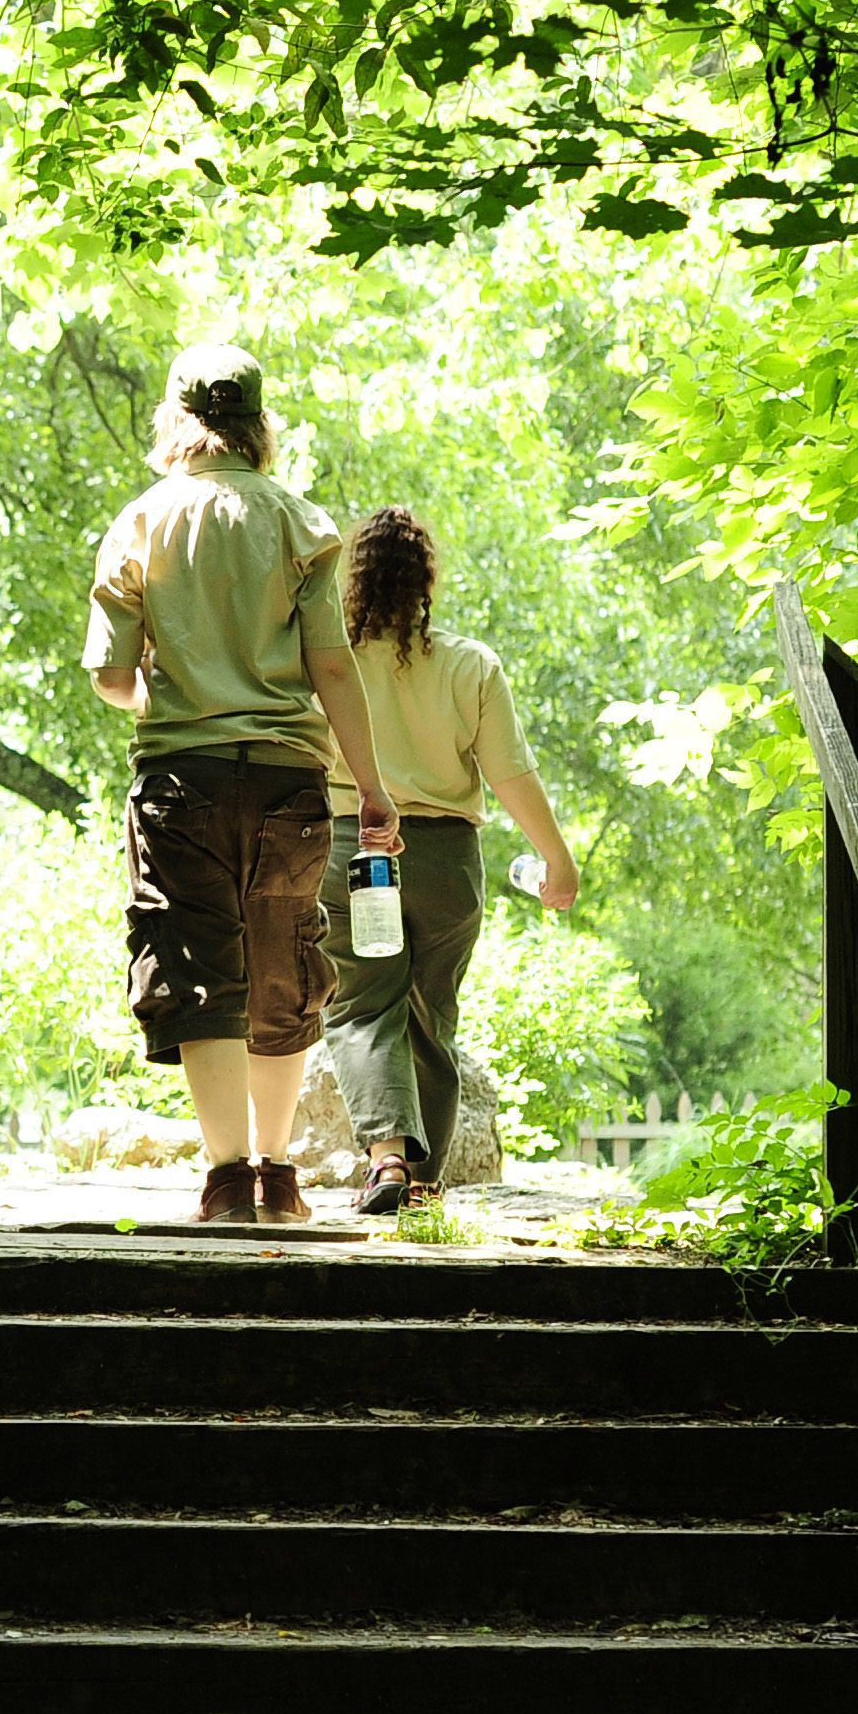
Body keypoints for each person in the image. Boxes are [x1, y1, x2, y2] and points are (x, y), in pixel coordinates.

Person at [84, 345, 404, 1227]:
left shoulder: (140, 523)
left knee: (197, 967)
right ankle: (279, 1173)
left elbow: (110, 676)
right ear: (258, 425)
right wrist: (370, 788)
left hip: (179, 778)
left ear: (177, 422)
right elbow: (333, 668)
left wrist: (172, 696)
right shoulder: (302, 524)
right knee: (285, 964)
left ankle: (227, 1182)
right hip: (288, 784)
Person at [318, 504, 580, 1217]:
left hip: (354, 846)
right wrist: (555, 858)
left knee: (363, 1006)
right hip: (445, 862)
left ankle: (387, 1161)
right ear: (427, 579)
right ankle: (426, 1186)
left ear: (355, 578)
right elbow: (510, 774)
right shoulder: (470, 666)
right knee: (433, 1014)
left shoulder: (326, 664)